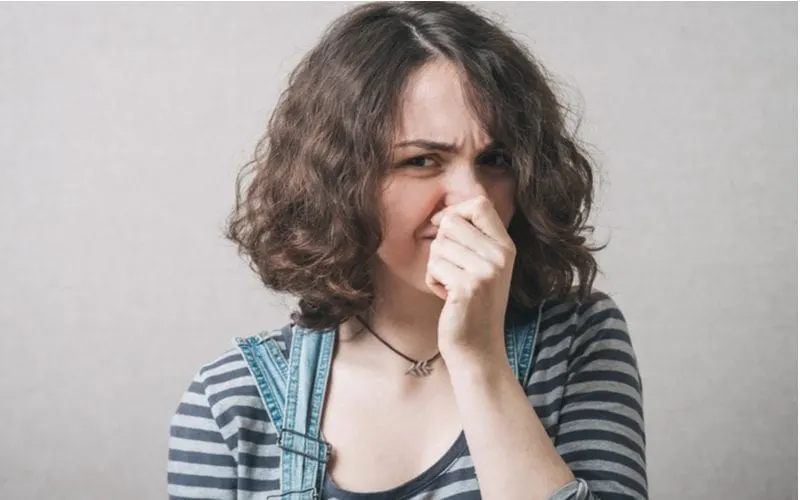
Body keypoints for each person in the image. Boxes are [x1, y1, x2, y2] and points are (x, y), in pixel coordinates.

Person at [167, 2, 647, 499]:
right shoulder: (229, 401)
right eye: (422, 160)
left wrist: (480, 360)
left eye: (496, 159)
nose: (474, 198)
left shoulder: (577, 343)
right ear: (341, 182)